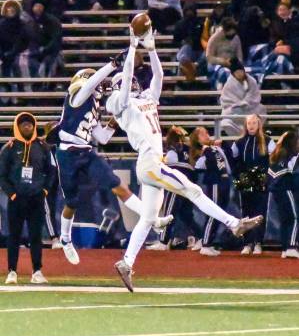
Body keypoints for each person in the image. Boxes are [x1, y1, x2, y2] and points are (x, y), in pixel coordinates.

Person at [106, 26, 263, 292]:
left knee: (148, 217)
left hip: (153, 164)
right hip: (150, 162)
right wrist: (133, 46)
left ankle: (126, 262)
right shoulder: (118, 103)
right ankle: (233, 223)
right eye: (128, 81)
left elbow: (159, 75)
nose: (133, 83)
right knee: (193, 189)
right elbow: (126, 83)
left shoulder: (144, 98)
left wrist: (152, 49)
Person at [55, 56, 172, 265]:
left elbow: (102, 138)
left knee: (119, 186)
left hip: (86, 152)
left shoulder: (93, 108)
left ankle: (152, 219)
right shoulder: (76, 98)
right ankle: (65, 238)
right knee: (71, 202)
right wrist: (112, 66)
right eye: (99, 84)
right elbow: (91, 83)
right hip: (67, 154)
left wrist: (114, 122)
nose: (101, 88)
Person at [0, 112, 56, 284]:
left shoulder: (43, 146)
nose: (27, 126)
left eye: (30, 124)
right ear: (18, 126)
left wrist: (45, 190)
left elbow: (52, 171)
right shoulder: (9, 148)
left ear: (34, 126)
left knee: (35, 236)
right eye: (23, 124)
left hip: (36, 198)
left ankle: (37, 271)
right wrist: (12, 194)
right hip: (17, 199)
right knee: (13, 236)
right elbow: (2, 175)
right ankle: (12, 272)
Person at [232, 114, 275, 255]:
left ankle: (258, 243)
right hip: (245, 179)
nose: (251, 125)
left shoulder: (268, 141)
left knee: (260, 211)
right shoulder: (239, 142)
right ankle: (247, 243)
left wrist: (267, 177)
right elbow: (233, 160)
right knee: (246, 211)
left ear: (259, 124)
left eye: (254, 123)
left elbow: (273, 160)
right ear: (245, 125)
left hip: (261, 178)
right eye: (249, 123)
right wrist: (237, 176)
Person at [190, 127, 233, 256]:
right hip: (215, 182)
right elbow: (199, 166)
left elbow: (229, 160)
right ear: (198, 140)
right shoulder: (204, 151)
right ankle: (206, 243)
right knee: (214, 212)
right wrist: (207, 151)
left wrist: (223, 145)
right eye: (203, 135)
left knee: (220, 212)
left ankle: (209, 241)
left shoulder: (215, 148)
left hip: (225, 181)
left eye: (207, 133)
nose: (207, 135)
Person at [18, 0, 62, 88]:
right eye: (36, 6)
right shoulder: (28, 22)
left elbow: (55, 39)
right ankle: (31, 89)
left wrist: (45, 49)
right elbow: (23, 39)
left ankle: (48, 88)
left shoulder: (53, 21)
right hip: (33, 51)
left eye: (40, 6)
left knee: (50, 63)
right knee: (25, 63)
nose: (38, 8)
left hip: (50, 51)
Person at [268, 130, 299, 259]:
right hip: (286, 189)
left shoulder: (278, 153)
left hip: (277, 191)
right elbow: (290, 171)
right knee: (295, 218)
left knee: (285, 219)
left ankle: (286, 248)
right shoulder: (289, 155)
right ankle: (291, 247)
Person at [220, 58, 266, 136]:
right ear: (233, 74)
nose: (239, 74)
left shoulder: (251, 81)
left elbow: (255, 95)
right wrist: (237, 104)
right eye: (237, 72)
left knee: (261, 109)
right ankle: (238, 131)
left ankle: (253, 130)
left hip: (250, 109)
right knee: (226, 116)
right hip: (236, 111)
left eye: (241, 71)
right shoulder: (229, 84)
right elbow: (225, 100)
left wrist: (246, 102)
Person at [206, 17, 243, 90]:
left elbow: (239, 56)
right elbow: (209, 57)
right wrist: (222, 62)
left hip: (231, 64)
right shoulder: (215, 38)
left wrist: (236, 64)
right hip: (216, 65)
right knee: (223, 74)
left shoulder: (236, 38)